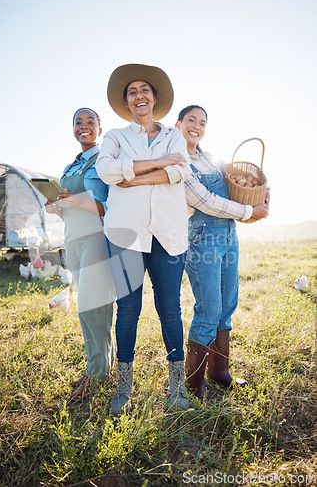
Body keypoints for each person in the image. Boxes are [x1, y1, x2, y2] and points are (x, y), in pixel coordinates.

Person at [95, 63, 192, 416]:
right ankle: (124, 386)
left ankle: (177, 386)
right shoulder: (116, 138)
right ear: (127, 102)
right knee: (129, 309)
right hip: (124, 234)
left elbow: (181, 170)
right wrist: (160, 163)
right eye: (132, 92)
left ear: (154, 98)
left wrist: (132, 177)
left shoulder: (174, 135)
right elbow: (105, 170)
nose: (139, 96)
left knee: (169, 309)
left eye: (144, 90)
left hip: (167, 233)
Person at [175, 105, 269, 401]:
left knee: (228, 303)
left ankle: (219, 372)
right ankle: (193, 383)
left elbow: (234, 186)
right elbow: (205, 201)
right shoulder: (177, 161)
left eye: (202, 122)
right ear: (178, 124)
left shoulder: (211, 159)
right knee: (209, 308)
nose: (197, 126)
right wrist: (248, 210)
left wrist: (260, 194)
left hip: (229, 235)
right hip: (201, 237)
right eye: (191, 120)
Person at [45, 108, 115, 399]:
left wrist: (76, 202)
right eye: (78, 122)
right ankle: (94, 367)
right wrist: (57, 208)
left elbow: (111, 206)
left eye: (90, 122)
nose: (84, 127)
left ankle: (100, 374)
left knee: (94, 308)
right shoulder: (69, 168)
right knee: (84, 311)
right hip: (73, 240)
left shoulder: (104, 161)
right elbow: (71, 211)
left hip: (96, 239)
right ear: (73, 128)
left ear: (100, 128)